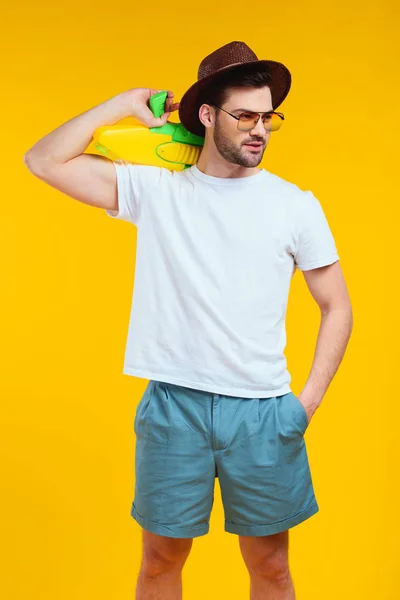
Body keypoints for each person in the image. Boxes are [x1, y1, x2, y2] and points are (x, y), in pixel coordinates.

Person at [24, 41, 353, 600]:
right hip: (175, 409)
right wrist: (125, 102)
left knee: (271, 567)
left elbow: (337, 305)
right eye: (245, 116)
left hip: (264, 413)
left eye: (268, 117)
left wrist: (307, 404)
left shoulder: (295, 204)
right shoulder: (156, 190)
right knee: (159, 562)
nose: (260, 131)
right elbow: (43, 160)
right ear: (207, 115)